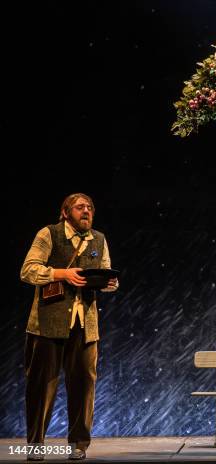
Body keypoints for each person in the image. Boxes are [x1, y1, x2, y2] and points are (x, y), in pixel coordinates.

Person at [20, 193, 118, 461]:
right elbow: (28, 270)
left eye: (89, 208)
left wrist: (108, 283)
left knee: (84, 385)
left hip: (85, 324)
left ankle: (78, 443)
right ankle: (36, 444)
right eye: (79, 207)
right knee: (42, 386)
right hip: (47, 324)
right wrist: (61, 273)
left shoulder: (98, 239)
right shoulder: (49, 234)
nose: (86, 211)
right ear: (65, 212)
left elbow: (106, 269)